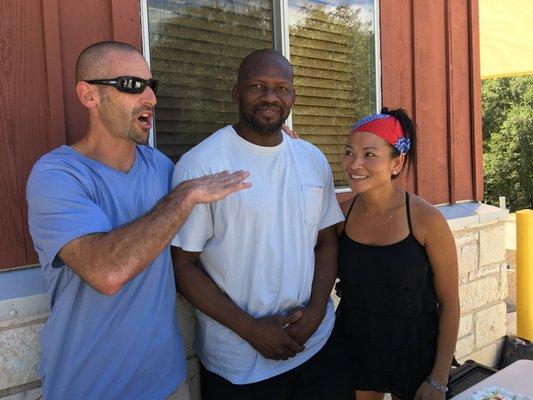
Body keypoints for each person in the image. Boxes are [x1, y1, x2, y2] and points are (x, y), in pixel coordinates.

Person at [26, 41, 250, 400]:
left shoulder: (160, 167)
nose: (150, 98)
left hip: (168, 381)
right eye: (132, 85)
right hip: (90, 388)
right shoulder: (58, 175)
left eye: (151, 85)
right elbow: (107, 272)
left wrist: (270, 143)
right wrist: (183, 196)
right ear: (88, 95)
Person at [170, 49, 354, 400]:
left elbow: (326, 241)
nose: (271, 96)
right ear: (237, 94)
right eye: (257, 86)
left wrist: (316, 310)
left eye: (281, 88)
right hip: (239, 366)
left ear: (293, 96)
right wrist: (251, 330)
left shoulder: (311, 158)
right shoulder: (201, 165)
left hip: (317, 347)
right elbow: (182, 267)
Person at [335, 108, 460, 400]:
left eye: (369, 154)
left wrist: (438, 379)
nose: (354, 164)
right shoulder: (340, 216)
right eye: (348, 152)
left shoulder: (426, 220)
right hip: (356, 350)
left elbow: (450, 303)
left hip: (415, 354)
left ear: (397, 162)